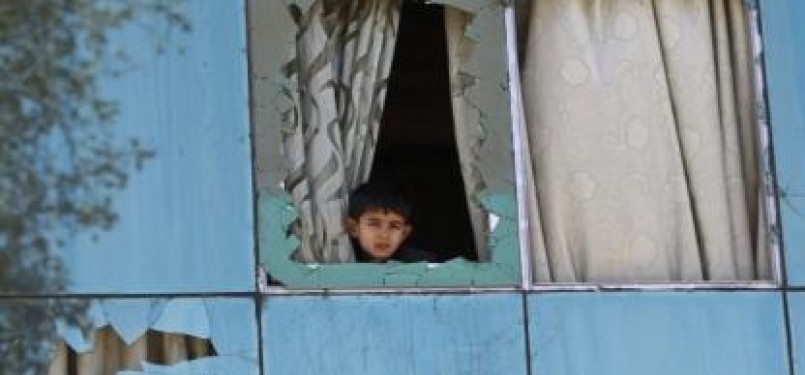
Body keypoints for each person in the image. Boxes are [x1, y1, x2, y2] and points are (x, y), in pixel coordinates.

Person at [345, 182, 438, 263]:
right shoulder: (342, 259)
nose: (384, 235)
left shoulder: (421, 265)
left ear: (404, 234)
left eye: (394, 226)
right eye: (374, 224)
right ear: (353, 228)